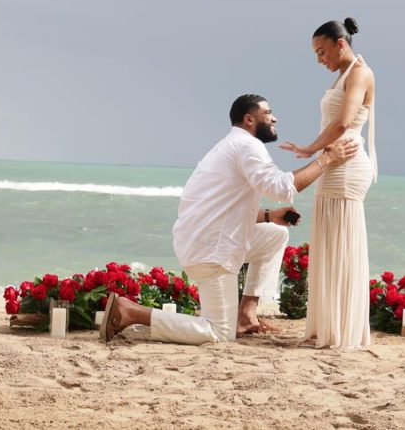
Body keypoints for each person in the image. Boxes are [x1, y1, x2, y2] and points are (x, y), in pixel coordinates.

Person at [101, 94, 359, 345]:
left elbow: (222, 209)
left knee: (275, 234)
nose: (275, 118)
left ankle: (246, 314)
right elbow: (282, 188)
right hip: (211, 250)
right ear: (249, 119)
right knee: (220, 333)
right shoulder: (247, 146)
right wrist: (326, 159)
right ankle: (132, 312)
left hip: (205, 239)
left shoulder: (232, 146)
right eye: (268, 113)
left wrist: (268, 216)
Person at [279, 17, 377, 349]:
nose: (321, 60)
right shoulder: (342, 76)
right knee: (328, 243)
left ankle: (342, 331)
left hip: (346, 164)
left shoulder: (360, 73)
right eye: (316, 55)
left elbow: (344, 122)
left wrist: (310, 148)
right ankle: (328, 327)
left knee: (342, 245)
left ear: (341, 43)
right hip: (334, 161)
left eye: (322, 52)